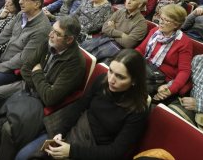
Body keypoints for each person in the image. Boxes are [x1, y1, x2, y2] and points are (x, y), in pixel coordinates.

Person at [15, 49, 149, 160]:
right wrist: (61, 131)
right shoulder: (102, 81)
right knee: (23, 156)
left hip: (92, 150)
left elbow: (115, 152)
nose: (111, 80)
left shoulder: (138, 110)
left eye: (120, 77)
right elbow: (79, 106)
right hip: (76, 129)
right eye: (111, 71)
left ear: (134, 81)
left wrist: (72, 151)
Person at [0, 16, 87, 159]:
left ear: (69, 40)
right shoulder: (48, 42)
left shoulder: (76, 63)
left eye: (57, 33)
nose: (50, 34)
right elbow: (25, 68)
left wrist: (37, 73)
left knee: (9, 128)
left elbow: (50, 98)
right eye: (52, 30)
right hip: (32, 88)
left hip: (43, 103)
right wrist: (40, 83)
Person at [136, 4, 192, 99]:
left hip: (163, 80)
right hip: (146, 68)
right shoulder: (155, 32)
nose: (160, 22)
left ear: (176, 24)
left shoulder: (184, 42)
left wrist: (171, 89)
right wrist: (128, 59)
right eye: (161, 18)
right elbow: (140, 50)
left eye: (166, 20)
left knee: (134, 89)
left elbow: (184, 71)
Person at [82, 0, 147, 62]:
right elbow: (104, 28)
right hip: (104, 39)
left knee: (90, 60)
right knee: (82, 50)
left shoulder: (141, 23)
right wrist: (121, 34)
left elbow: (128, 43)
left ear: (140, 4)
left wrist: (113, 29)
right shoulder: (120, 11)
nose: (128, 1)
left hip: (117, 49)